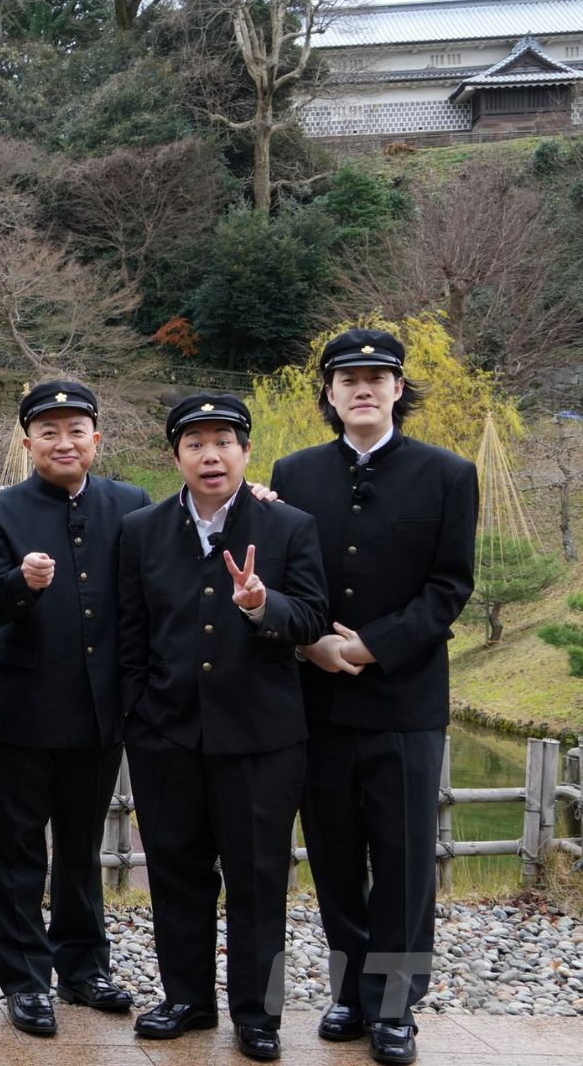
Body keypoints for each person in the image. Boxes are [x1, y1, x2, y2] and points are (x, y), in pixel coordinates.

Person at [271, 329, 477, 1066]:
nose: (362, 389)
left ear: (398, 389)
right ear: (328, 394)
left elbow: (449, 586)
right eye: (347, 379)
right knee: (332, 855)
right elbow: (285, 578)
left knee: (403, 860)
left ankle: (395, 1007)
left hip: (404, 702)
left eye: (377, 378)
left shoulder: (448, 473)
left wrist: (369, 646)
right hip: (318, 701)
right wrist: (312, 646)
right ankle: (350, 992)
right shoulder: (294, 472)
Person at [118, 394, 328, 1062]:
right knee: (176, 871)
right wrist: (139, 717)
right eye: (196, 444)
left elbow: (313, 617)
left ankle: (258, 1014)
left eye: (224, 442)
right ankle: (186, 998)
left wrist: (263, 604)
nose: (211, 455)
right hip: (166, 734)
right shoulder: (142, 529)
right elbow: (130, 635)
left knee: (259, 877)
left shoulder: (288, 525)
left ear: (246, 450)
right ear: (176, 455)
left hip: (262, 737)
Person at [0, 380, 148, 1038]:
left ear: (95, 439)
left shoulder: (131, 505)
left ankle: (84, 968)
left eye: (76, 430)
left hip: (100, 708)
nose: (63, 442)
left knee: (81, 847)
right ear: (28, 444)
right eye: (48, 432)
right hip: (23, 706)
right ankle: (25, 980)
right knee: (17, 848)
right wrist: (20, 583)